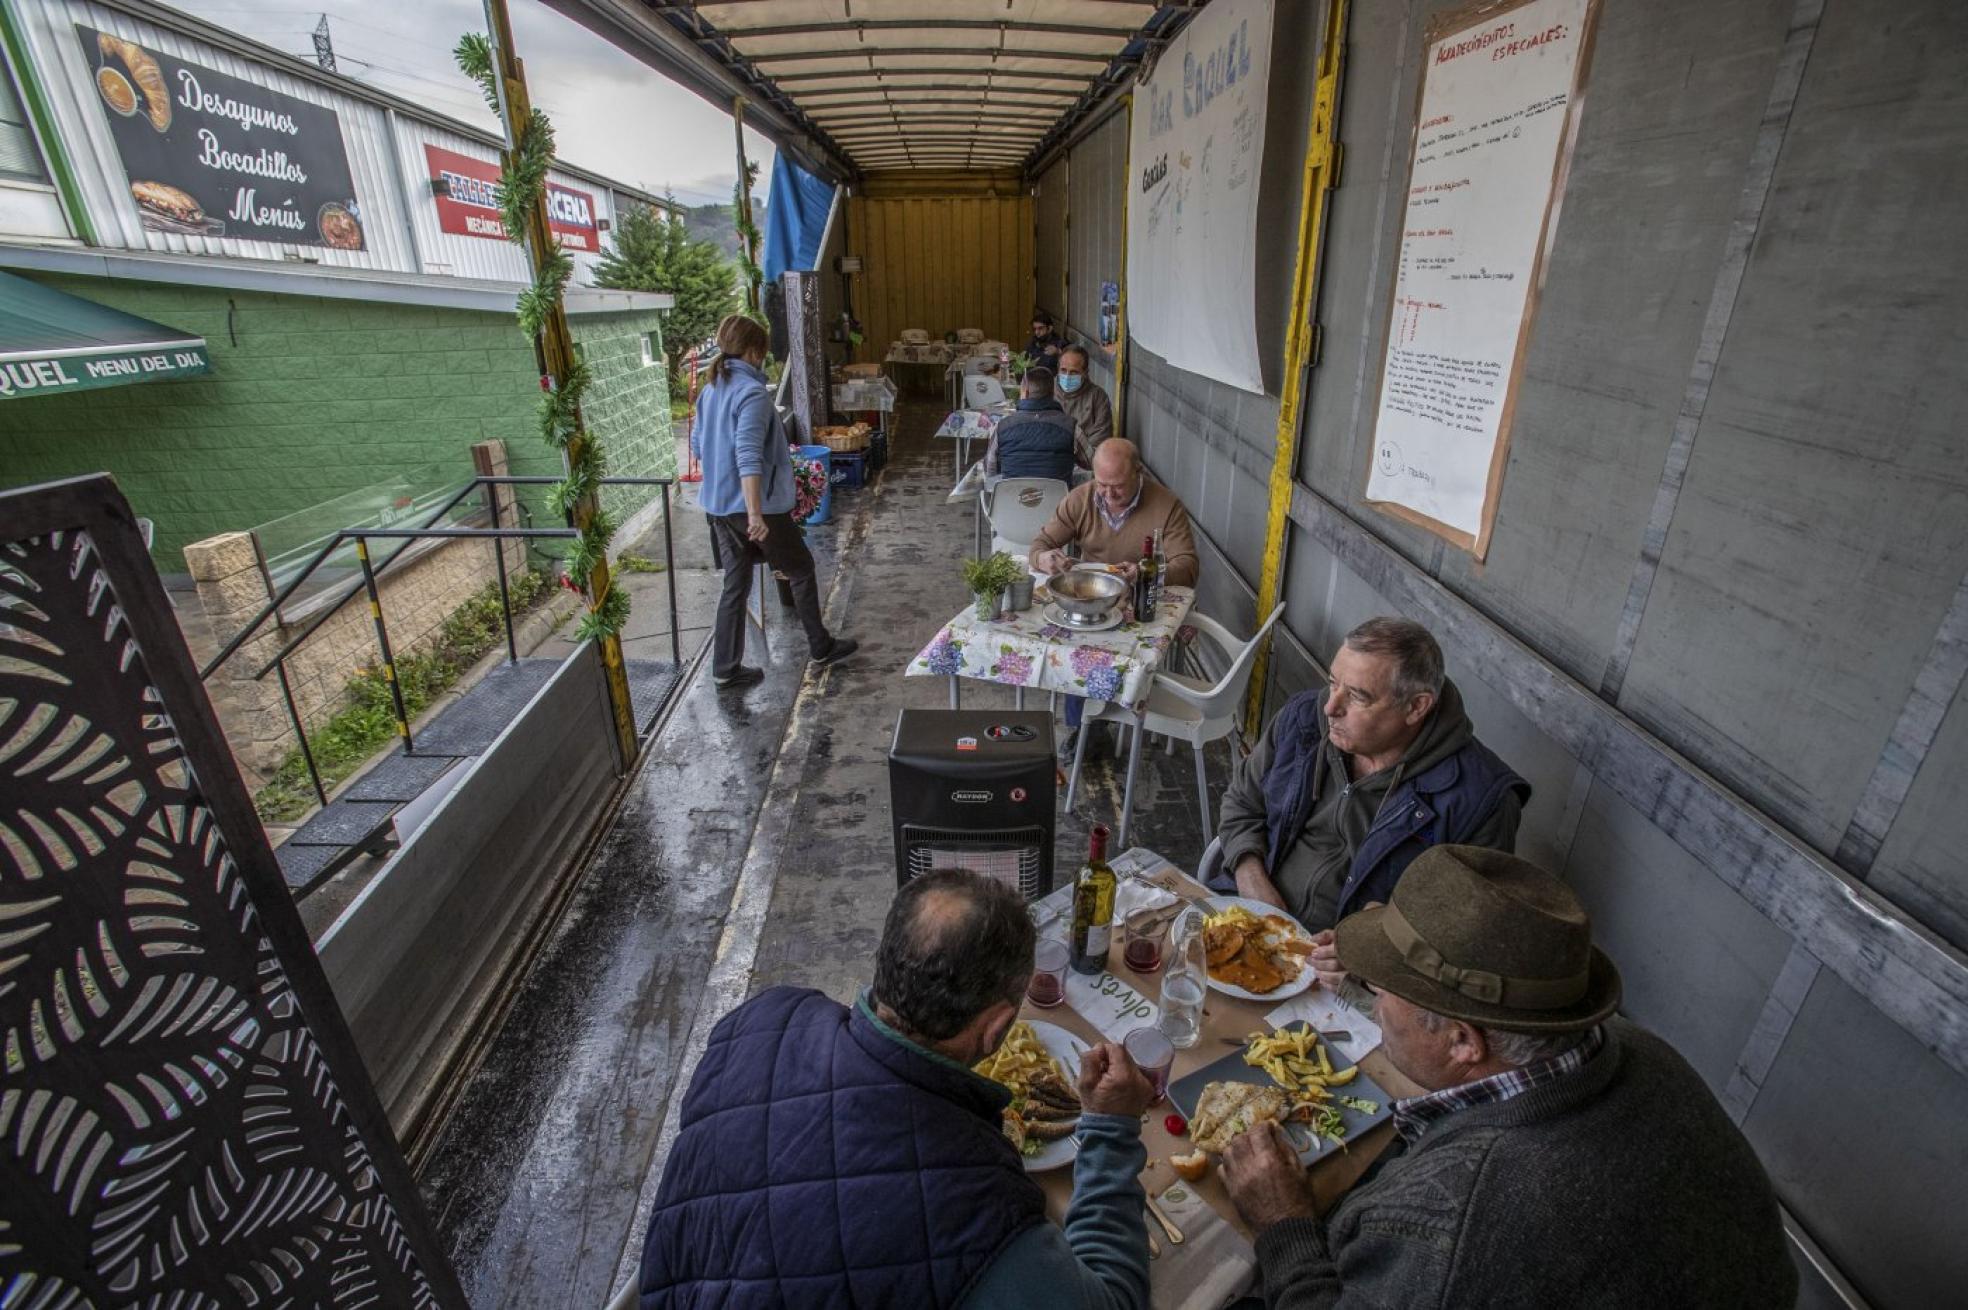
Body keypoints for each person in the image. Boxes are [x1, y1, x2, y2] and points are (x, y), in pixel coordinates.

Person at [1219, 845, 1798, 1309]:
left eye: (1379, 989)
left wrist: (1283, 1222)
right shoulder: (1636, 1046)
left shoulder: (1447, 1219)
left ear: (1464, 1041)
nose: (1369, 995)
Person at [638, 868, 1158, 1310]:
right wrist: (1111, 1130)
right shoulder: (982, 1217)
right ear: (996, 1029)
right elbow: (1113, 1299)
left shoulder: (761, 1017)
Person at [1214, 616, 1527, 992]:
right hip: (1247, 915)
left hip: (1355, 983)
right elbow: (1242, 803)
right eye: (1332, 683)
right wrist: (1251, 879)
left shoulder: (1481, 799)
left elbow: (1463, 937)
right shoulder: (1303, 720)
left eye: (1357, 696)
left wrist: (1371, 953)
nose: (1330, 707)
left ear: (1416, 707)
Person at [694, 313, 856, 690]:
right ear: (754, 352)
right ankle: (820, 645)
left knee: (735, 585)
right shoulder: (751, 394)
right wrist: (754, 512)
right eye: (763, 353)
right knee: (799, 568)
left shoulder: (711, 390)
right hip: (756, 507)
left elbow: (699, 447)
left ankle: (725, 668)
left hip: (717, 507)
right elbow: (747, 455)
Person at [1029, 438, 1197, 587]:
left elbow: (1188, 567)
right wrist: (1042, 558)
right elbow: (1041, 544)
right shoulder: (1079, 499)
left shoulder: (1167, 506)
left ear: (1138, 473)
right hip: (1090, 592)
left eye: (1118, 486)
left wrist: (1145, 574)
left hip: (1142, 595)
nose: (1109, 494)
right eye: (1101, 484)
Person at [981, 366, 1082, 483]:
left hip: (1010, 498)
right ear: (1052, 393)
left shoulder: (1002, 427)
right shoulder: (1071, 426)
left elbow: (990, 470)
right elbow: (1091, 462)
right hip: (1059, 499)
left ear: (1025, 392)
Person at [1053, 345, 1114, 468]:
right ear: (1058, 369)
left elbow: (1100, 440)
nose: (1067, 376)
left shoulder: (1098, 397)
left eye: (1074, 372)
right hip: (1051, 461)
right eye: (1063, 370)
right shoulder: (1047, 390)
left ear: (1085, 373)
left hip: (1083, 466)